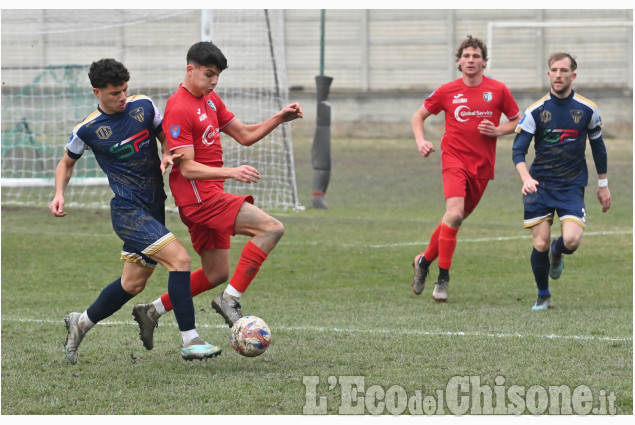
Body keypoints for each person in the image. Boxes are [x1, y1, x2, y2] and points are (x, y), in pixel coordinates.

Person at [50, 58, 221, 364]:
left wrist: (169, 153)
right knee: (180, 260)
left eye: (125, 89)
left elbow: (166, 137)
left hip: (155, 207)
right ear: (97, 92)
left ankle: (81, 323)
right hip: (128, 211)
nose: (122, 97)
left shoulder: (143, 107)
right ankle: (190, 340)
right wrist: (59, 193)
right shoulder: (87, 129)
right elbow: (66, 162)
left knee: (133, 284)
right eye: (115, 93)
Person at [132, 41, 303, 347]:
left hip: (207, 195)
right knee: (272, 228)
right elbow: (187, 169)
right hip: (200, 199)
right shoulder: (179, 107)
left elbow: (245, 135)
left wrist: (278, 118)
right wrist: (231, 172)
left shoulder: (210, 101)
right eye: (208, 74)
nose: (213, 81)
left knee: (215, 272)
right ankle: (230, 301)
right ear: (190, 69)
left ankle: (152, 310)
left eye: (217, 76)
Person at [410, 35, 520, 302]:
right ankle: (442, 279)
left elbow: (518, 121)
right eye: (466, 56)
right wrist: (421, 140)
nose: (471, 60)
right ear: (459, 62)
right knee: (455, 214)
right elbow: (418, 116)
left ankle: (423, 262)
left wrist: (497, 130)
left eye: (476, 56)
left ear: (484, 61)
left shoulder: (498, 90)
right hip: (454, 160)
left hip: (482, 167)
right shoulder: (448, 91)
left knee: (453, 219)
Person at [512, 52, 610, 310]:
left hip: (571, 186)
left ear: (572, 75)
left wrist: (603, 184)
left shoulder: (588, 109)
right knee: (540, 243)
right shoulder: (536, 110)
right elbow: (518, 150)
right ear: (548, 74)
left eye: (563, 70)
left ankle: (558, 251)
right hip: (540, 186)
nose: (558, 75)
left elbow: (598, 148)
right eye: (554, 70)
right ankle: (543, 295)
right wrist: (526, 178)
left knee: (571, 241)